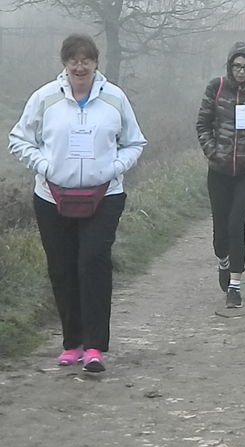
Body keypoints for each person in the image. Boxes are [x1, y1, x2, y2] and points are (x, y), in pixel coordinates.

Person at [8, 33, 147, 372]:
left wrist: (113, 168)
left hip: (105, 195)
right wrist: (45, 166)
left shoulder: (114, 99)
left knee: (93, 262)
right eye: (74, 60)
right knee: (63, 268)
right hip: (52, 197)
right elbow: (18, 139)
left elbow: (135, 142)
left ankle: (96, 346)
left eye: (86, 60)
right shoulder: (44, 98)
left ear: (96, 63)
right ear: (65, 64)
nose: (80, 66)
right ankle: (73, 343)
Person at [196, 41, 245, 309]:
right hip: (219, 170)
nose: (241, 71)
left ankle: (235, 286)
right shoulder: (215, 88)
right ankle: (223, 261)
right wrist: (212, 151)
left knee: (235, 225)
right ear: (230, 66)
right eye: (237, 66)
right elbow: (203, 124)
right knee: (220, 233)